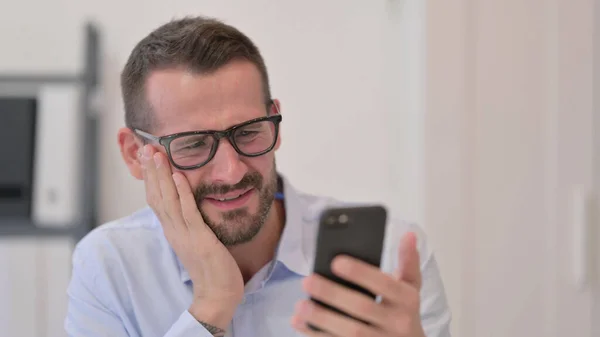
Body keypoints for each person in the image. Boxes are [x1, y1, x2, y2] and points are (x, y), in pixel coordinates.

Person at [64, 15, 452, 337]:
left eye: (248, 132)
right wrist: (211, 306)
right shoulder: (109, 267)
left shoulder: (392, 260)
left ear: (276, 126)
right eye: (194, 144)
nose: (232, 172)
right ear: (136, 154)